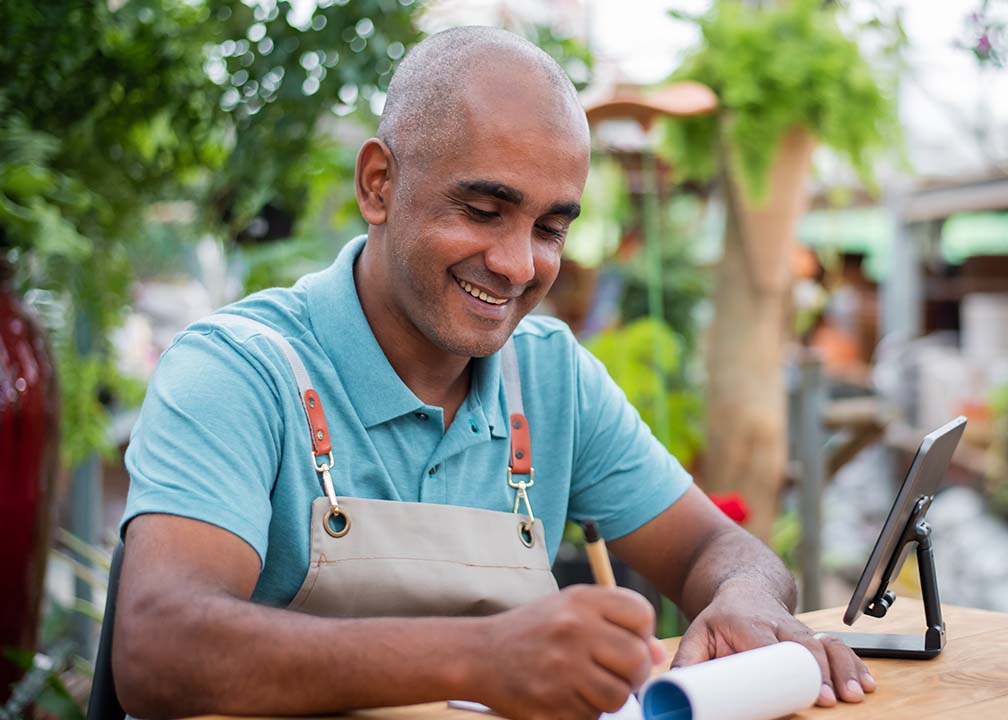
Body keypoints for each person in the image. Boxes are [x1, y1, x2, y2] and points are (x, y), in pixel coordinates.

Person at [114, 26, 875, 720]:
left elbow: (720, 549)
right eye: (482, 210)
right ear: (378, 184)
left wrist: (743, 600)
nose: (517, 265)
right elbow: (159, 647)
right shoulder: (242, 371)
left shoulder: (551, 380)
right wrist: (481, 657)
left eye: (550, 228)